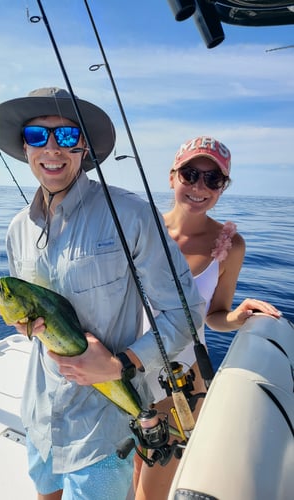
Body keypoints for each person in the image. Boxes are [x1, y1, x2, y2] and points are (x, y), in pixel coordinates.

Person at [0, 87, 205, 500]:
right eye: (38, 136)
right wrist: (22, 325)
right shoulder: (18, 228)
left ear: (83, 146)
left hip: (102, 427)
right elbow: (28, 325)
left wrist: (122, 362)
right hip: (39, 416)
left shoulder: (131, 215)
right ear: (24, 146)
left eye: (67, 136)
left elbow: (187, 313)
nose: (52, 148)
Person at [134, 136, 282, 500]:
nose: (200, 186)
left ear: (223, 188)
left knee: (151, 490)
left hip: (180, 383)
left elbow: (214, 316)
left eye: (213, 179)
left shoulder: (231, 245)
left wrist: (237, 317)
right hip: (126, 367)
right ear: (172, 177)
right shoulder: (140, 229)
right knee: (131, 468)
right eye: (190, 173)